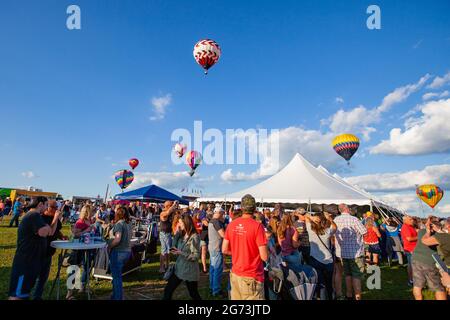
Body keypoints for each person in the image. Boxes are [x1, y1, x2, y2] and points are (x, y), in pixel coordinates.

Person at [222, 194, 268, 300]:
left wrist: (239, 252)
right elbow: (264, 257)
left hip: (235, 274)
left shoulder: (231, 224)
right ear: (255, 208)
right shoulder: (257, 226)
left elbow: (224, 249)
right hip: (252, 276)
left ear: (241, 208)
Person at [8, 197, 53, 300]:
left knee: (23, 292)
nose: (46, 208)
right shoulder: (34, 215)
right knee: (18, 294)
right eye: (46, 205)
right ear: (40, 204)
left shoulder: (35, 215)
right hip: (26, 261)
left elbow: (48, 231)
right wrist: (47, 227)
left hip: (30, 260)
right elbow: (44, 232)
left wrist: (47, 227)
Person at [163, 214, 201, 300]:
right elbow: (173, 249)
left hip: (189, 270)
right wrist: (176, 235)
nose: (179, 225)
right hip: (179, 268)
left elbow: (195, 256)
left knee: (193, 294)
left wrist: (181, 253)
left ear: (186, 223)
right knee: (168, 290)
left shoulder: (194, 237)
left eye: (181, 223)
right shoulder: (182, 234)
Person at [333, 204, 367, 300]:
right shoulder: (354, 219)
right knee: (356, 275)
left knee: (347, 275)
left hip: (341, 253)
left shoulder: (336, 220)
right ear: (347, 209)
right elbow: (364, 232)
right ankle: (357, 296)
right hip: (355, 253)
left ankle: (349, 295)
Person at [32, 200, 65, 300]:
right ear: (48, 207)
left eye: (57, 208)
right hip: (39, 251)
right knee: (34, 277)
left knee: (43, 278)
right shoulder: (41, 218)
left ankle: (37, 297)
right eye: (54, 208)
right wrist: (55, 217)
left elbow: (56, 230)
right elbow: (50, 231)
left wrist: (62, 236)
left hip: (49, 252)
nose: (56, 210)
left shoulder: (54, 217)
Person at [411, 216, 447, 300]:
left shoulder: (421, 231)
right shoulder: (438, 235)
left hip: (416, 258)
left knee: (417, 285)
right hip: (429, 261)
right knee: (439, 288)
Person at [305, 212, 337, 300]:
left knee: (319, 283)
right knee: (329, 283)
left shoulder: (310, 230)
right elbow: (335, 227)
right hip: (328, 260)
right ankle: (330, 297)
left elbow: (306, 216)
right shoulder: (327, 231)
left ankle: (318, 297)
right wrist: (330, 219)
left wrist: (313, 218)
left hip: (315, 260)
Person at [107, 206, 131, 300]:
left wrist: (109, 246)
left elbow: (117, 239)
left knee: (117, 278)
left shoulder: (119, 224)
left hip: (118, 252)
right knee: (117, 276)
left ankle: (118, 297)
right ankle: (115, 296)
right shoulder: (128, 224)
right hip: (126, 252)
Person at [208, 207, 226, 297]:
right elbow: (223, 235)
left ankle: (212, 288)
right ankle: (216, 290)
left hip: (212, 247)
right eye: (222, 214)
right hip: (216, 248)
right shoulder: (216, 222)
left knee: (213, 269)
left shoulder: (212, 221)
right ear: (219, 213)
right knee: (217, 270)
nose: (223, 216)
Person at [159, 201, 178, 273]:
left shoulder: (170, 213)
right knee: (163, 251)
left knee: (168, 251)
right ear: (167, 206)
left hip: (168, 233)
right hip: (164, 234)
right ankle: (161, 267)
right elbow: (167, 213)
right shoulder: (163, 213)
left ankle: (167, 265)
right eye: (170, 206)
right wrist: (173, 205)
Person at [400, 215, 418, 286]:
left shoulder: (410, 226)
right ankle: (411, 280)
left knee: (414, 265)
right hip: (410, 249)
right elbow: (409, 238)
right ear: (405, 220)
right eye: (410, 219)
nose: (412, 220)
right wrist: (419, 236)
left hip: (413, 248)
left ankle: (414, 279)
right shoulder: (405, 227)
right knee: (411, 265)